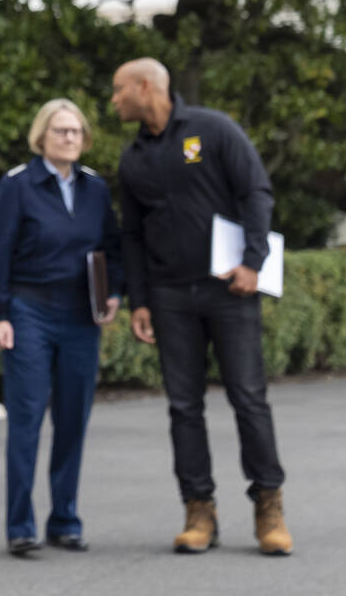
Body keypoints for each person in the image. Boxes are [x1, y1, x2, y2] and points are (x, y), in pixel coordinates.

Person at [111, 58, 292, 556]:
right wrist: (140, 302)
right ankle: (198, 509)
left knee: (248, 399)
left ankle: (268, 506)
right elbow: (132, 236)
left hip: (230, 292)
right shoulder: (133, 159)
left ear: (147, 87)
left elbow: (256, 191)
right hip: (170, 298)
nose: (114, 100)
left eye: (119, 90)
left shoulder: (213, 130)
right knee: (183, 407)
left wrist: (254, 261)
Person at [0, 98, 124, 556]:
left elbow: (113, 248)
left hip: (82, 316)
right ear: (41, 136)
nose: (70, 138)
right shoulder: (17, 185)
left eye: (77, 131)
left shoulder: (95, 189)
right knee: (26, 421)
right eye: (61, 131)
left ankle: (65, 519)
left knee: (73, 421)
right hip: (29, 311)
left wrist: (115, 292)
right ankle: (21, 526)